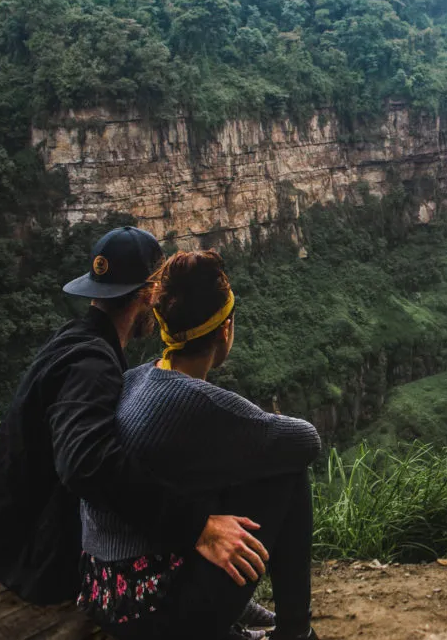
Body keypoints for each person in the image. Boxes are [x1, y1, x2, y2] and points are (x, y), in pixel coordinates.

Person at [0, 227, 274, 637]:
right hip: (36, 558)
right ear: (149, 294)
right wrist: (196, 526)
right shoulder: (91, 366)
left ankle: (230, 608)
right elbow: (84, 463)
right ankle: (218, 614)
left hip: (16, 534)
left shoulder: (78, 340)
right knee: (190, 475)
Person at [78, 250, 321, 640]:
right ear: (225, 330)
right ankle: (296, 632)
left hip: (104, 591)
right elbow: (307, 440)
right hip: (150, 615)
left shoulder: (136, 378)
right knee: (286, 474)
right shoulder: (198, 403)